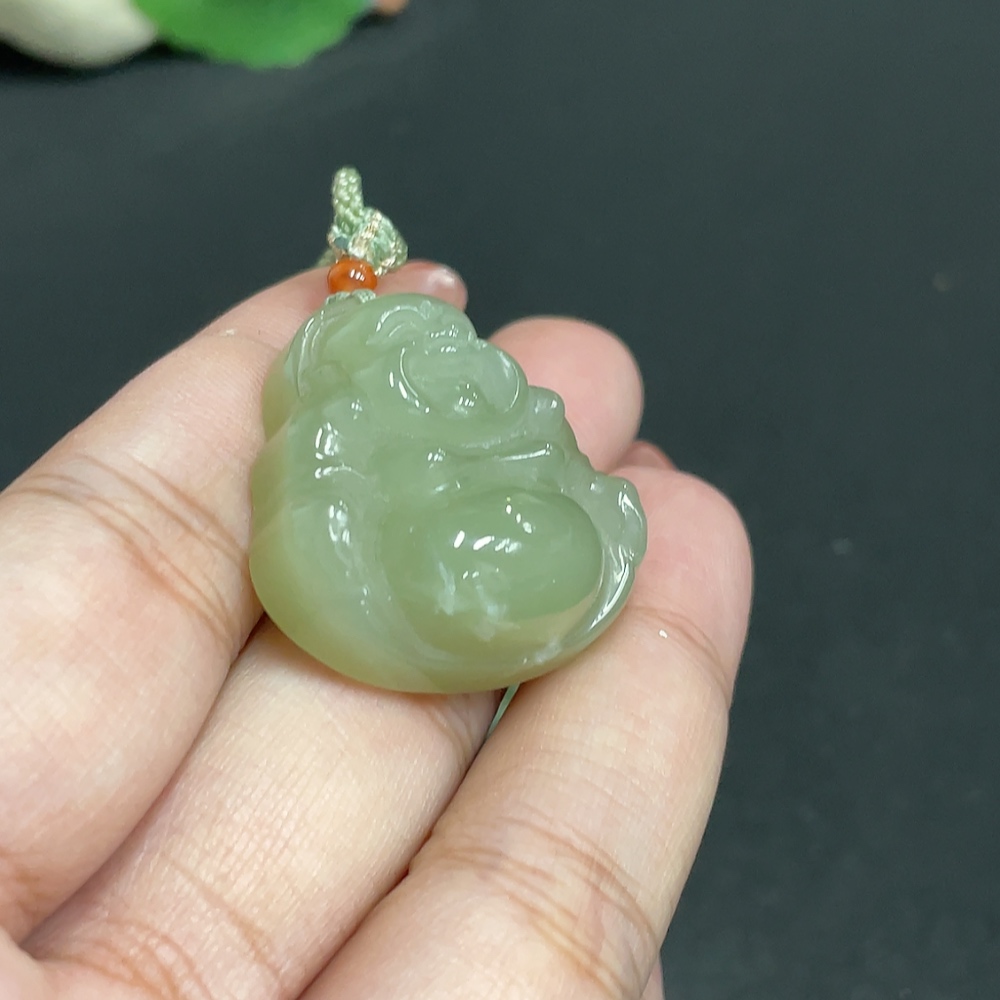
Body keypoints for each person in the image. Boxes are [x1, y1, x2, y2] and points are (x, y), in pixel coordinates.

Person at [0, 261, 752, 1000]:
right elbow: (317, 520)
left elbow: (558, 463)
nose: (460, 374)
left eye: (460, 357)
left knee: (559, 545)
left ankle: (533, 581)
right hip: (430, 550)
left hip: (526, 534)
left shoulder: (514, 410)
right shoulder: (341, 424)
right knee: (471, 558)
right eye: (428, 362)